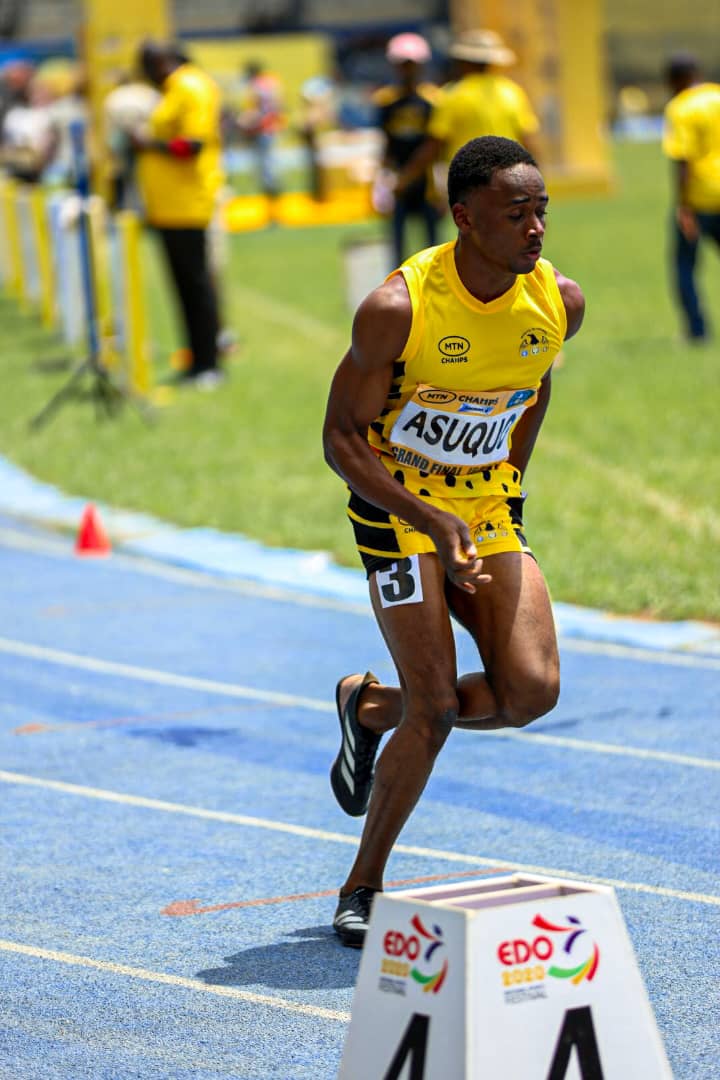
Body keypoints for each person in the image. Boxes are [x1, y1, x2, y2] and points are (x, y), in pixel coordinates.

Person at [322, 135, 584, 946]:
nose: (535, 228)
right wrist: (431, 518)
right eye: (517, 213)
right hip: (397, 509)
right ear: (466, 218)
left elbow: (529, 393)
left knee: (529, 692)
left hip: (484, 507)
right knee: (436, 707)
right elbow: (340, 437)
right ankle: (362, 887)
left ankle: (369, 709)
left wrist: (504, 486)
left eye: (541, 210)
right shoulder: (400, 307)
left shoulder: (559, 303)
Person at [134, 40, 225, 387]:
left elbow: (192, 145)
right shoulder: (174, 89)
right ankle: (197, 359)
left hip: (188, 204)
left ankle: (209, 364)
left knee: (197, 285)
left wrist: (147, 144)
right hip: (170, 207)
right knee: (184, 287)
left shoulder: (190, 86)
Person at [395, 29, 540, 200]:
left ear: (464, 62)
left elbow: (434, 145)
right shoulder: (512, 92)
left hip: (471, 185)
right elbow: (529, 141)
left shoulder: (451, 95)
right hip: (510, 181)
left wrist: (405, 178)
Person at [662, 53, 720, 342]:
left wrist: (683, 205)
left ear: (674, 81)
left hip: (701, 198)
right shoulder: (717, 96)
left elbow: (683, 159)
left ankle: (697, 331)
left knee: (685, 266)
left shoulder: (681, 107)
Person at [372, 32, 442, 268]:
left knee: (434, 248)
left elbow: (438, 144)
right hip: (397, 182)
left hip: (428, 182)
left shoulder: (434, 99)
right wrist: (382, 181)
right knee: (397, 245)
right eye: (403, 65)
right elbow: (385, 143)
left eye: (411, 65)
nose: (407, 70)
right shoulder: (385, 100)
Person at [236, 59, 285, 197]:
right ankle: (273, 195)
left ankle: (271, 195)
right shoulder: (271, 81)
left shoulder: (258, 85)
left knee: (264, 164)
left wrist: (244, 121)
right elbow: (277, 105)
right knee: (269, 162)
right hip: (271, 126)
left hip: (263, 127)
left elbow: (258, 109)